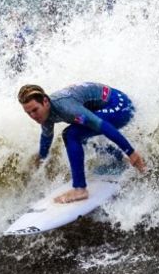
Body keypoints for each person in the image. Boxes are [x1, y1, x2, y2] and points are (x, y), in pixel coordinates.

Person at [18, 83, 146, 203]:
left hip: (121, 107)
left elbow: (102, 126)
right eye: (28, 113)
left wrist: (131, 152)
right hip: (109, 104)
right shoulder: (44, 115)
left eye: (34, 110)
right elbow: (46, 138)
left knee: (71, 135)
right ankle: (119, 159)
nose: (33, 116)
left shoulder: (66, 107)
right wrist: (40, 159)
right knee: (82, 131)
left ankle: (80, 189)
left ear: (45, 101)